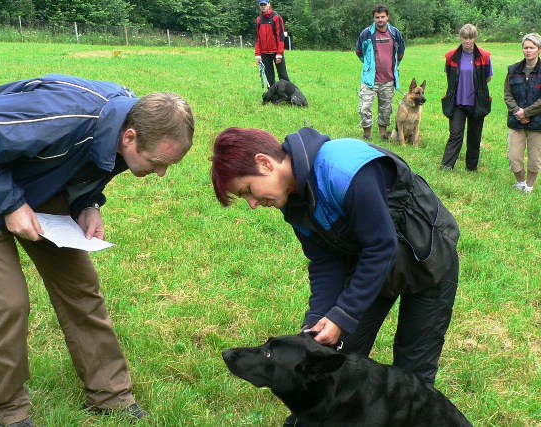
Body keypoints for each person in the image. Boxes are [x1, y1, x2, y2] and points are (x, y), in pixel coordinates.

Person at [0, 74, 195, 427]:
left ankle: (110, 395)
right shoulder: (66, 116)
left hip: (32, 181)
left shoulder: (127, 122)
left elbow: (89, 163)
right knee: (8, 303)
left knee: (81, 287)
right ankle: (7, 409)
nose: (160, 174)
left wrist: (88, 204)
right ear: (130, 137)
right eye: (160, 162)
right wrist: (10, 204)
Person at [211, 127, 460, 427]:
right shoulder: (294, 201)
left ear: (265, 163)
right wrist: (318, 319)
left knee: (413, 380)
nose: (252, 204)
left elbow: (381, 246)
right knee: (331, 361)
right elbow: (324, 261)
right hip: (371, 271)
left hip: (428, 260)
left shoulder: (343, 170)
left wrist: (342, 315)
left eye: (248, 191)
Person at [440, 24, 493, 172]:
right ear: (460, 37)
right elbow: (450, 77)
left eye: (471, 38)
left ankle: (471, 167)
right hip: (457, 103)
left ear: (475, 38)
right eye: (465, 37)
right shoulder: (451, 56)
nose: (468, 41)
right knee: (455, 135)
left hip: (477, 103)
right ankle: (446, 166)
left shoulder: (485, 56)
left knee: (474, 137)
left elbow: (487, 78)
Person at [356, 4, 405, 141]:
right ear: (374, 18)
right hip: (369, 79)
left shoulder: (395, 33)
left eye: (382, 17)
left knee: (386, 109)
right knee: (365, 107)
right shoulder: (366, 33)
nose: (380, 20)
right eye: (377, 17)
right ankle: (367, 134)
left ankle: (383, 134)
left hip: (388, 79)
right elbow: (359, 52)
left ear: (387, 17)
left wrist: (393, 66)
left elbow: (400, 53)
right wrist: (369, 65)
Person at [504, 33, 541, 193]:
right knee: (513, 157)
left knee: (535, 159)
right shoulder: (513, 70)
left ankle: (529, 187)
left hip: (537, 122)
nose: (528, 50)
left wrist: (526, 112)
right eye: (525, 47)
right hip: (516, 121)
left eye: (531, 47)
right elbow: (507, 94)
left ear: (538, 49)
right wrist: (517, 112)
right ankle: (521, 183)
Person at [255, 0, 289, 88]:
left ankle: (289, 95)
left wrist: (279, 53)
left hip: (276, 52)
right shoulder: (259, 20)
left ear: (269, 4)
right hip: (264, 53)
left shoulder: (276, 18)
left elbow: (280, 36)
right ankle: (272, 96)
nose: (263, 7)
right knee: (269, 77)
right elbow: (258, 38)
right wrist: (258, 54)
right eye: (261, 5)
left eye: (265, 4)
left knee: (283, 75)